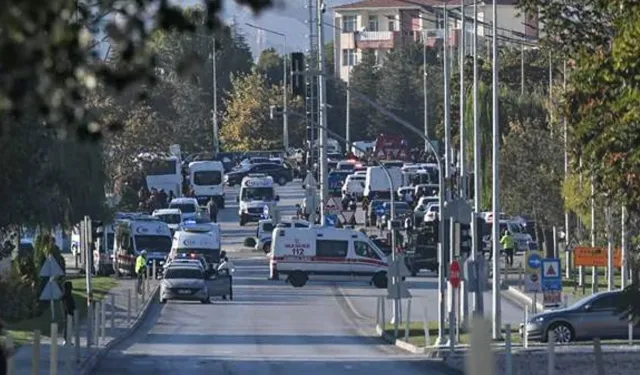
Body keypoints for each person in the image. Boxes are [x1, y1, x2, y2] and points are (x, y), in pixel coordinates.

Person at [61, 281, 75, 345]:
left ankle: (68, 340)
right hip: (68, 313)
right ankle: (66, 340)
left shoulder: (66, 296)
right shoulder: (66, 296)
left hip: (69, 313)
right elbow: (67, 305)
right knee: (67, 326)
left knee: (68, 326)